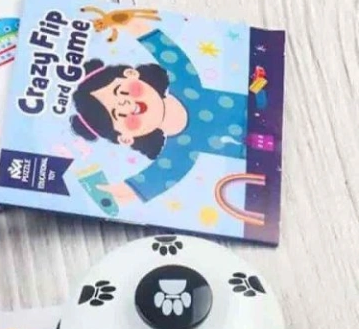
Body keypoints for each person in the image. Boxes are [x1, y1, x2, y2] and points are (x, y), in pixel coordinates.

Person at [70, 17, 248, 205]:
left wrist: (124, 21)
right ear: (126, 138)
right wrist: (115, 191)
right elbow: (149, 182)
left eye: (123, 92)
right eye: (119, 115)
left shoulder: (184, 81)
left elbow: (157, 42)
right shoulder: (177, 153)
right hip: (258, 154)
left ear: (132, 74)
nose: (127, 105)